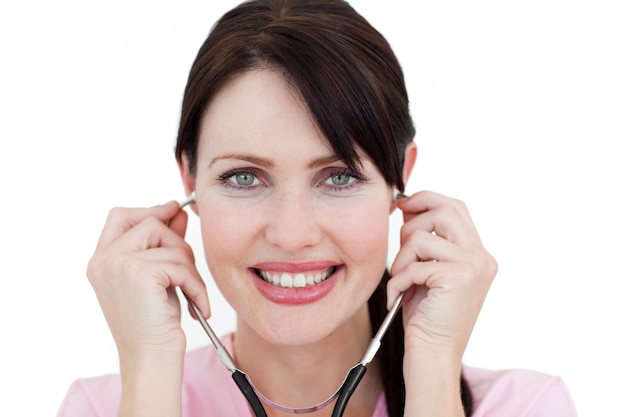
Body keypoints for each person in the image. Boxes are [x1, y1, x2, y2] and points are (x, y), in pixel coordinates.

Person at [57, 0, 577, 416]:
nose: (292, 233)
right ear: (190, 180)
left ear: (401, 179)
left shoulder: (525, 407)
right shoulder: (106, 408)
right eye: (244, 177)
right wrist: (149, 373)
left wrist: (433, 373)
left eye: (339, 176)